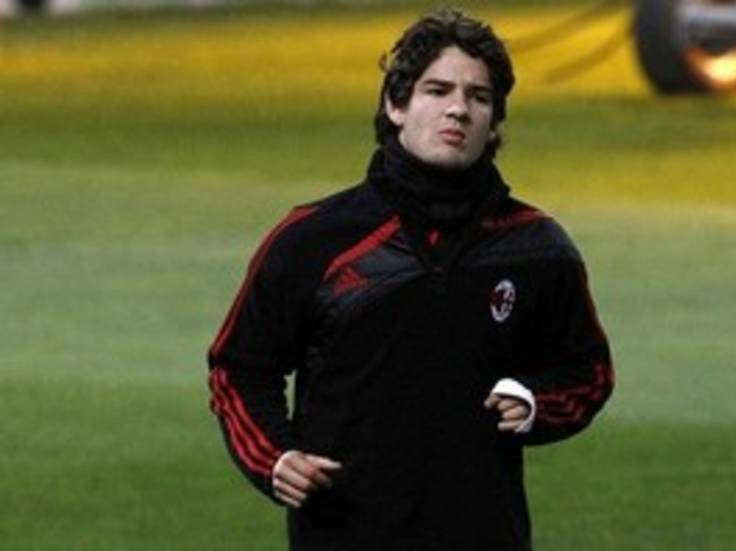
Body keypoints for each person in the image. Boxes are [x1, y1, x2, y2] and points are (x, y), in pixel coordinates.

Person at [208, 8, 614, 551]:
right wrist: (275, 457)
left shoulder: (536, 248)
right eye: (437, 90)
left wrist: (537, 402)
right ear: (395, 105)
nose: (458, 109)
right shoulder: (313, 239)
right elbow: (238, 367)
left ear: (494, 122)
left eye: (479, 97)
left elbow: (589, 372)